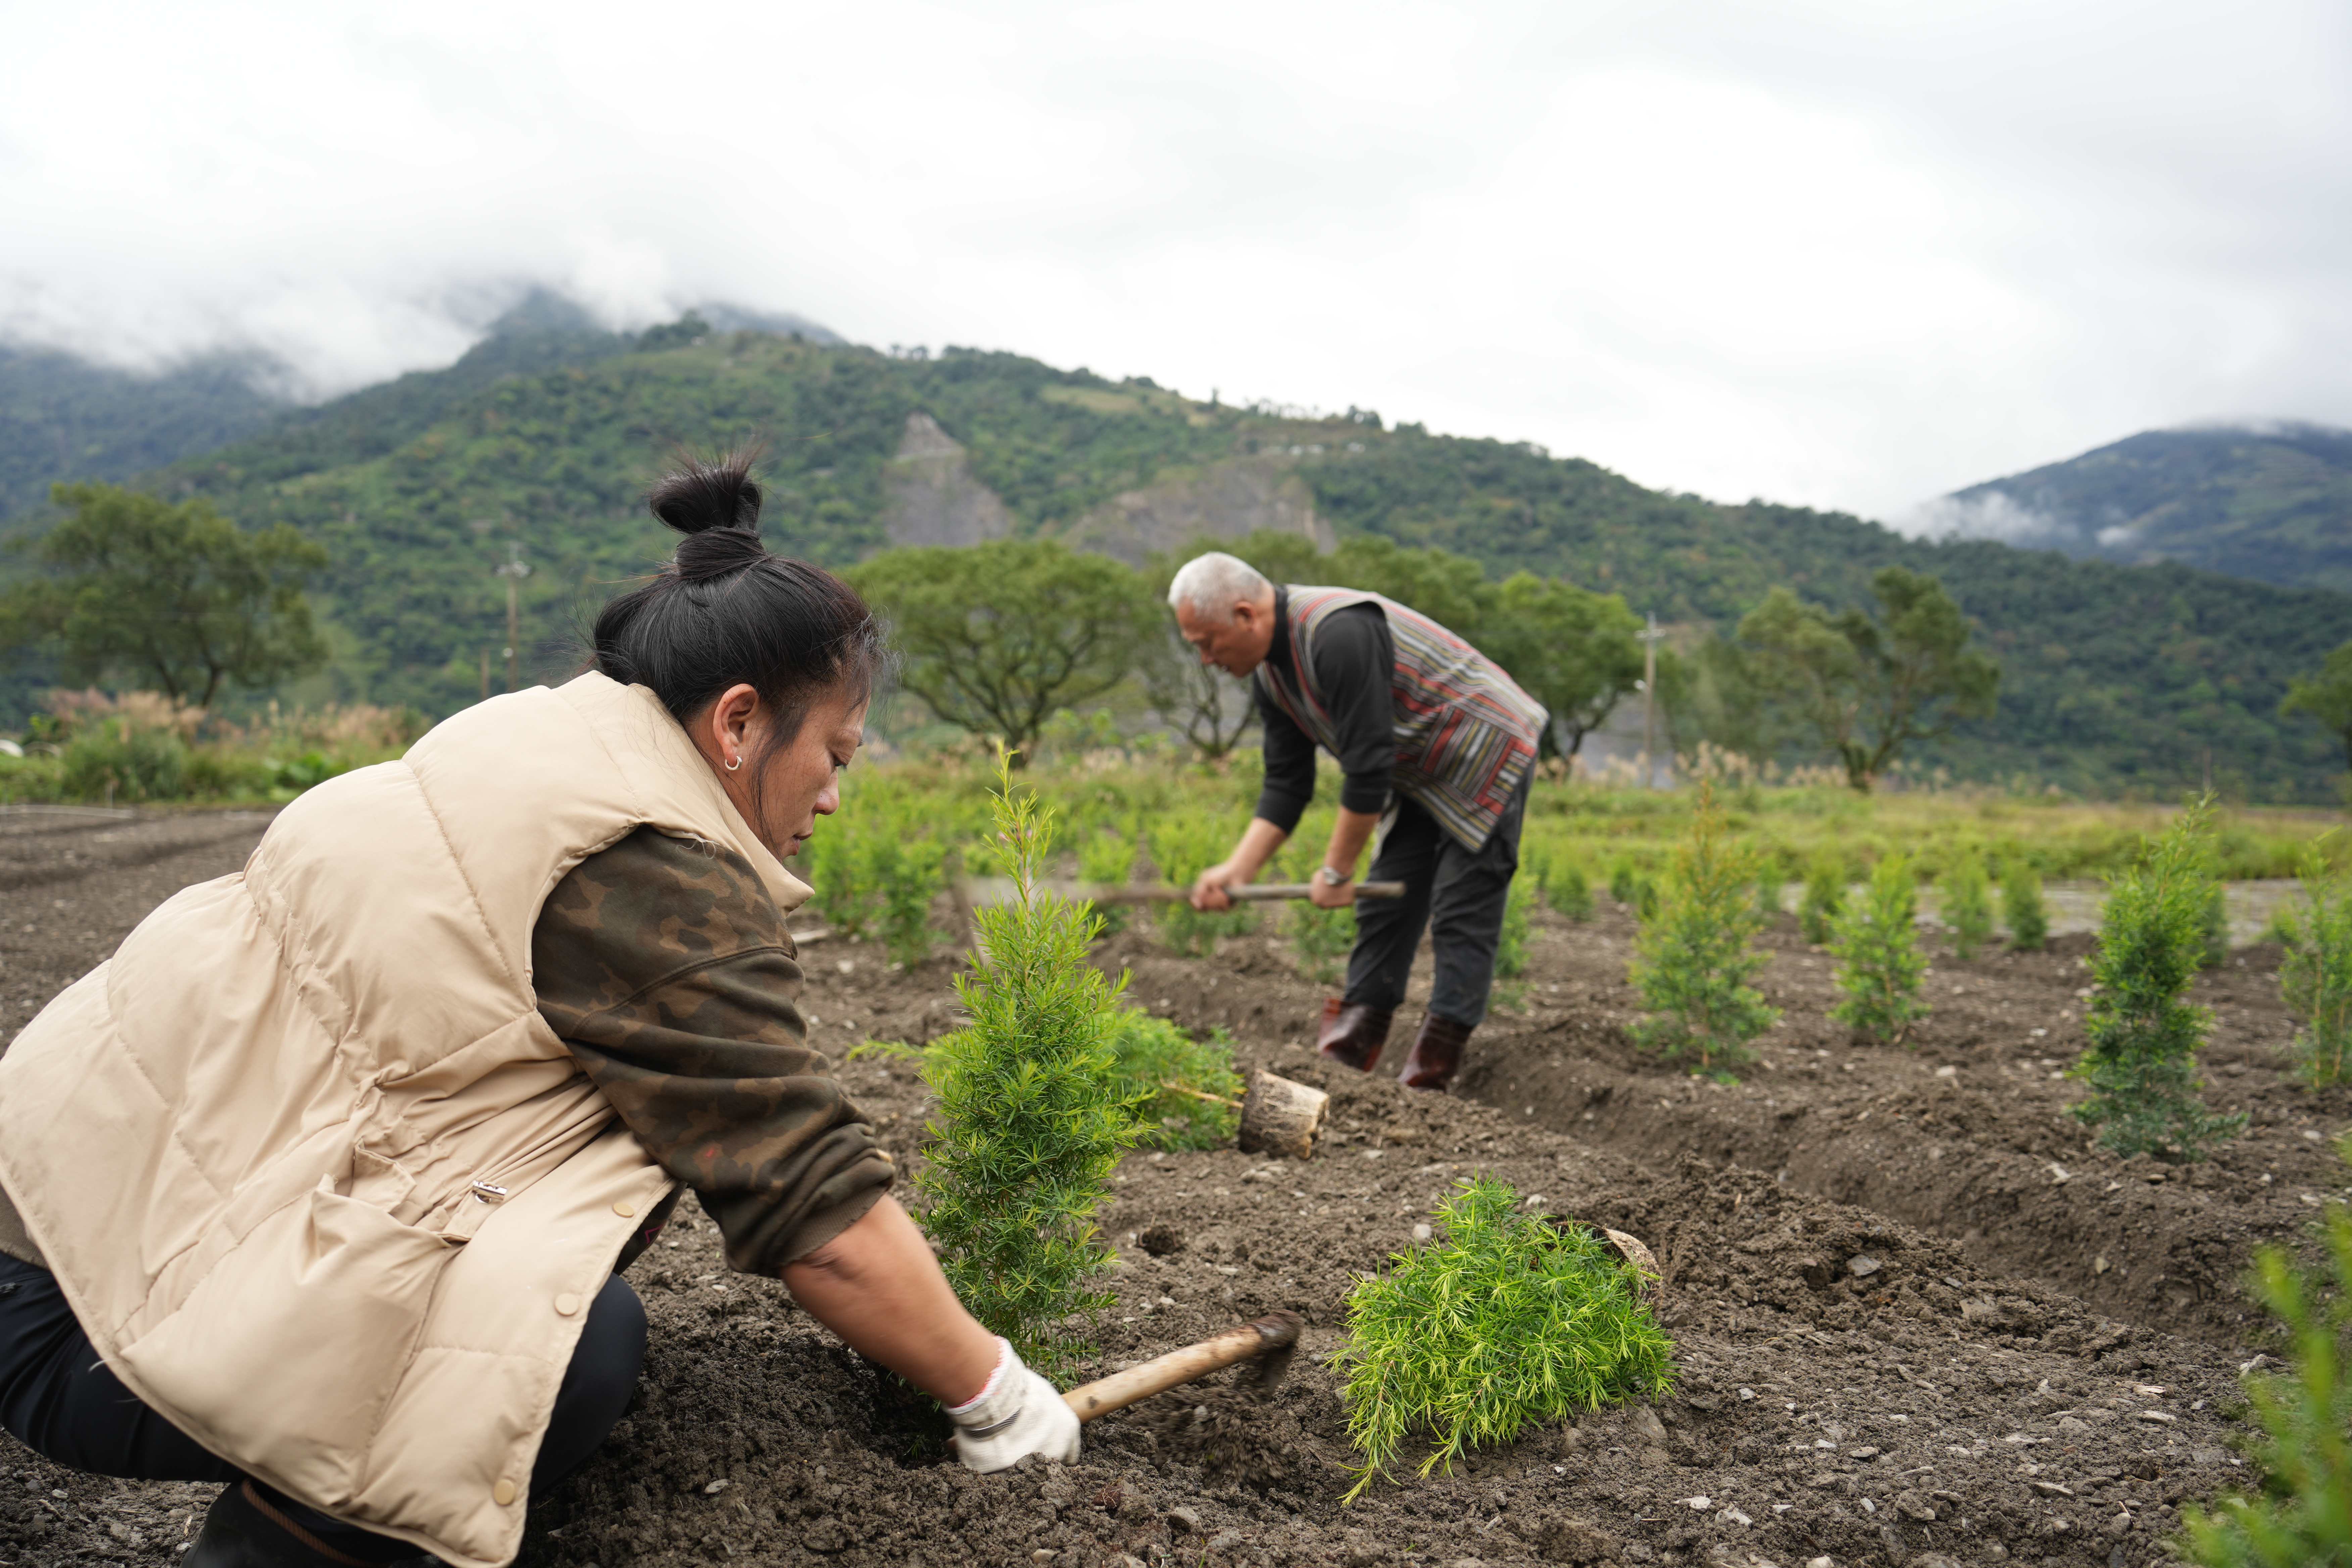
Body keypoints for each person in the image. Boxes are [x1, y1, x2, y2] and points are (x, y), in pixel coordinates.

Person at [0, 454, 1077, 1568]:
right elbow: (808, 1200)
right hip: (84, 1316)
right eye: (835, 754)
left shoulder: (540, 742)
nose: (836, 796)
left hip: (57, 1193)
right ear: (741, 723)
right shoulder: (651, 866)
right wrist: (992, 1392)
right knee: (559, 1355)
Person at [1171, 552, 1545, 1094]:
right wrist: (1237, 870)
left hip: (1483, 745)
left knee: (1463, 906)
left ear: (1247, 615)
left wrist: (1338, 871)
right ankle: (1346, 1063)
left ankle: (1430, 1079)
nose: (1206, 658)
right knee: (1385, 900)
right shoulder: (1271, 679)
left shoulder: (1338, 631)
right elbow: (1286, 787)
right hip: (1418, 768)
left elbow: (1367, 768)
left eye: (1207, 642)